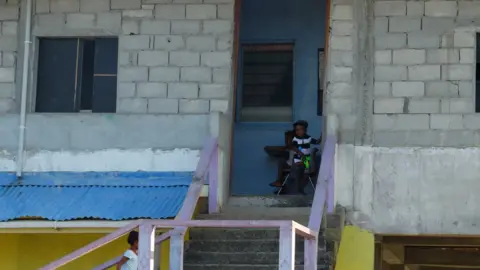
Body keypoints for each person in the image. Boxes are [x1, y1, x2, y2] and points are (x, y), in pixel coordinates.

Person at [289, 120, 321, 194]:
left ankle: (300, 188)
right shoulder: (295, 139)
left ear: (305, 130)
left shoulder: (308, 138)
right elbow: (293, 146)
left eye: (300, 130)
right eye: (297, 130)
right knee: (299, 167)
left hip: (306, 159)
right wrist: (299, 151)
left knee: (305, 168)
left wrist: (321, 137)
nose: (298, 132)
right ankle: (298, 189)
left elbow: (317, 142)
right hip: (298, 158)